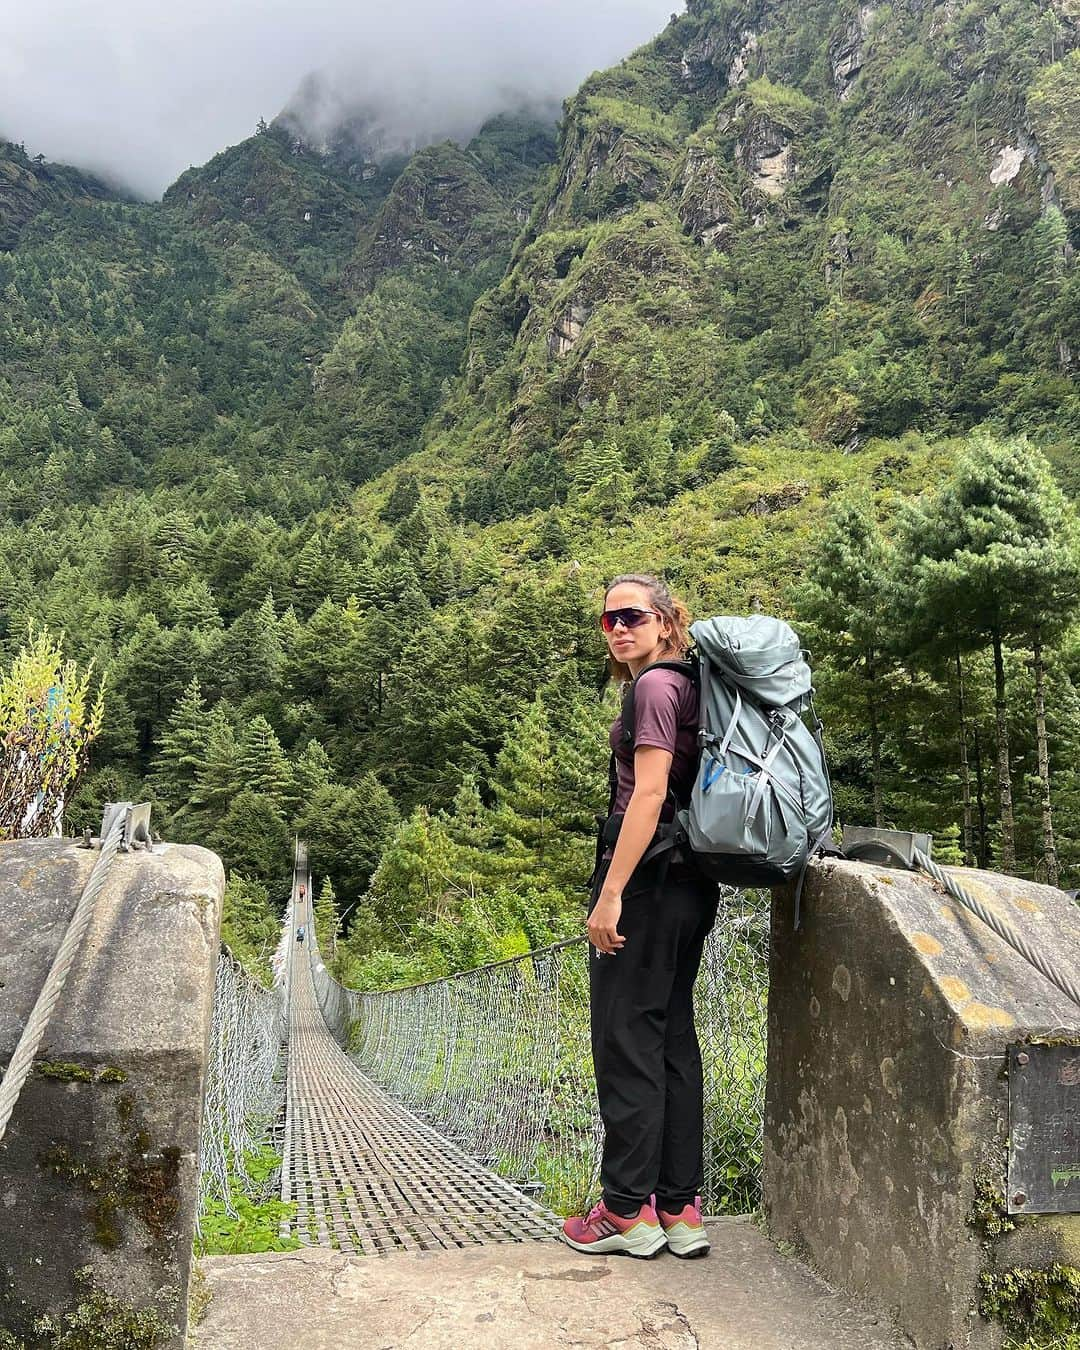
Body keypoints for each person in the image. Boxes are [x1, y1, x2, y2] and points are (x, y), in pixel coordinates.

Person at [561, 574, 718, 1261]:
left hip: (648, 880)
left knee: (627, 1039)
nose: (618, 628)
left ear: (664, 622)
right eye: (608, 621)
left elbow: (648, 792)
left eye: (632, 616)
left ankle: (625, 1210)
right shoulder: (689, 685)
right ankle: (679, 1208)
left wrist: (611, 892)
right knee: (670, 1040)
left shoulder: (653, 687)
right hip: (691, 882)